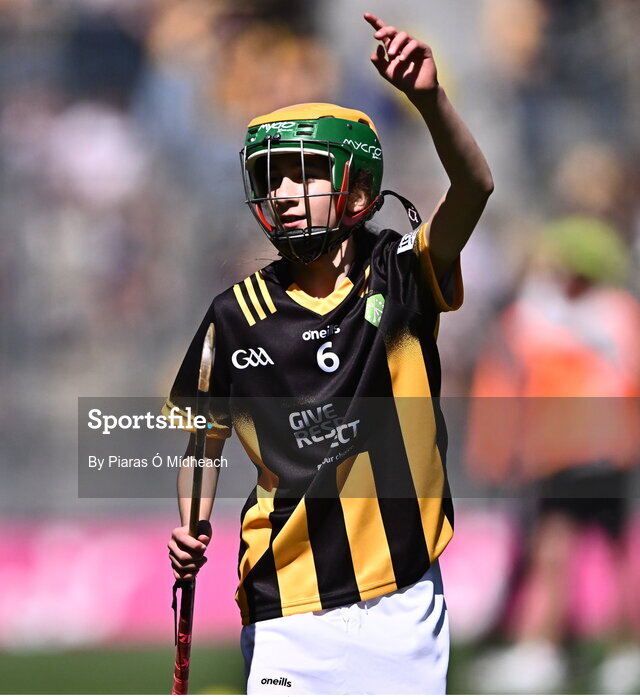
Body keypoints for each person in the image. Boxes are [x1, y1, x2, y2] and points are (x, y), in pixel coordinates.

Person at [164, 14, 492, 694]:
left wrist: (428, 101)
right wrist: (190, 523)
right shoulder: (235, 314)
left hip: (403, 603)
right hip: (287, 607)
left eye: (302, 174)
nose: (281, 192)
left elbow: (474, 188)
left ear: (361, 191)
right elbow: (202, 441)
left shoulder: (404, 273)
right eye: (271, 176)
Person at [468, 216, 640, 694]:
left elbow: (519, 369)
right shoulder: (621, 311)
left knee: (555, 551)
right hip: (609, 449)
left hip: (567, 450)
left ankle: (539, 653)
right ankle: (624, 655)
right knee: (616, 553)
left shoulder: (544, 314)